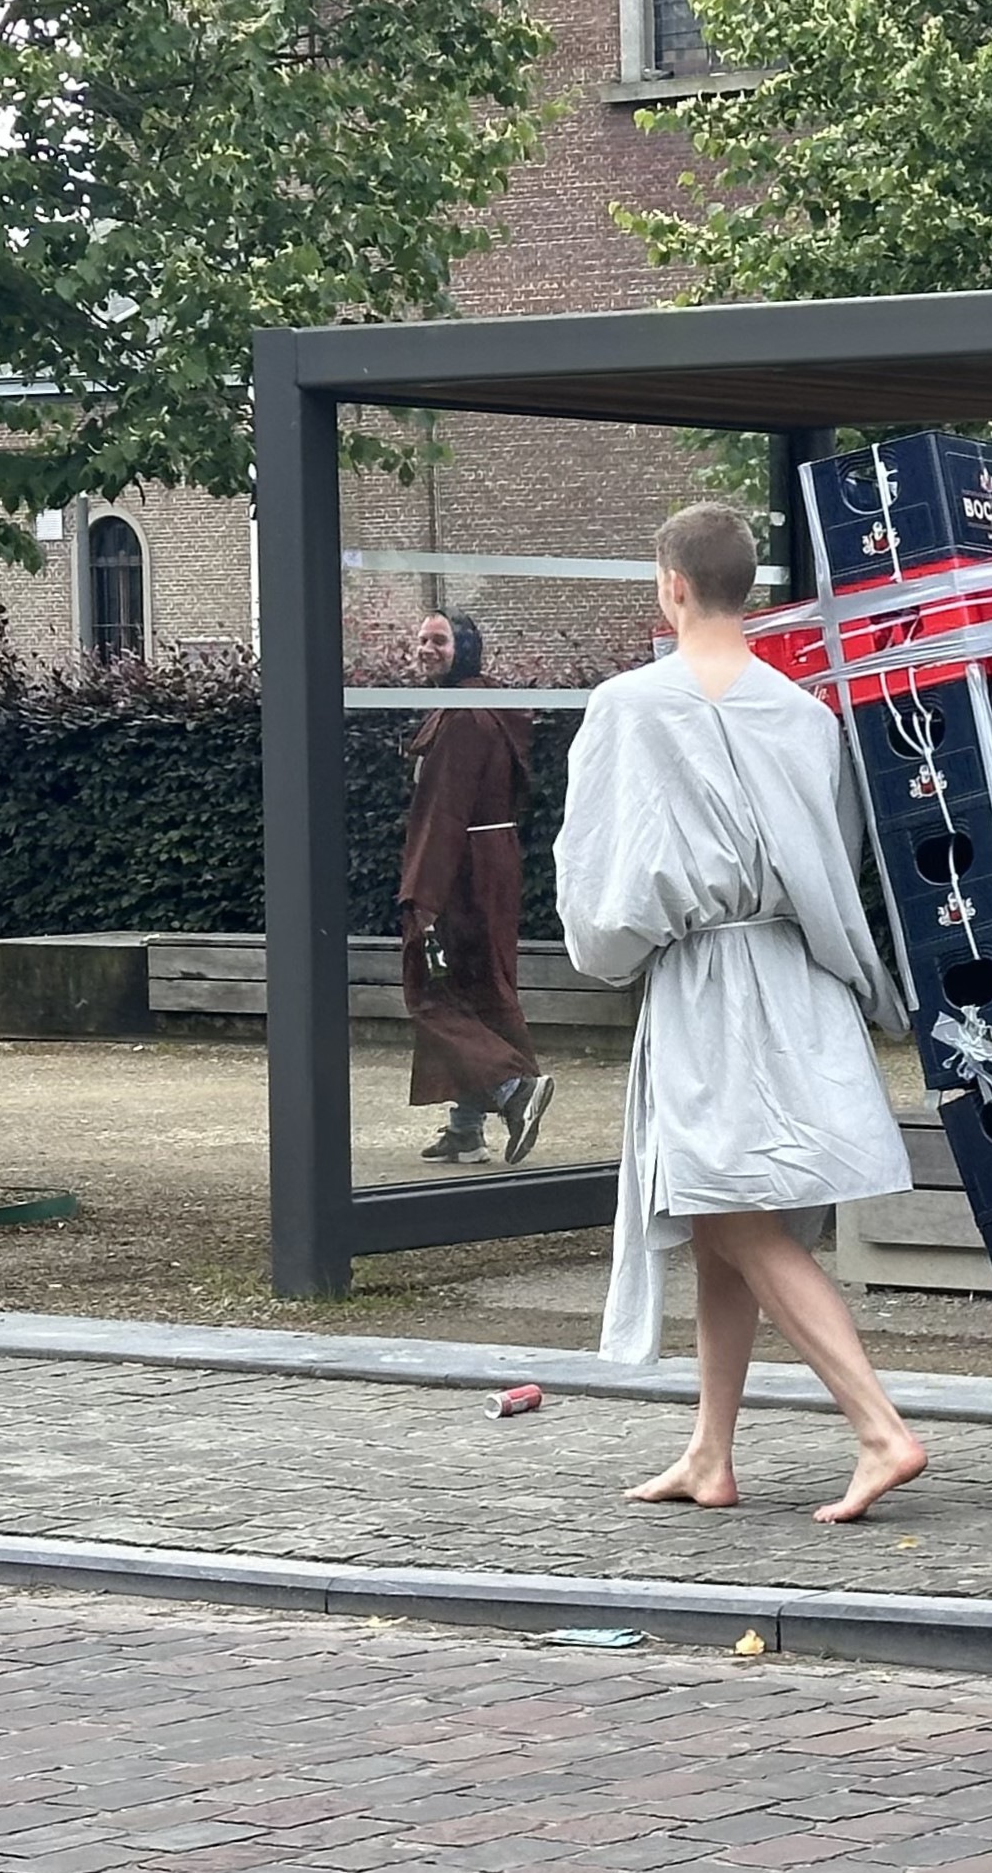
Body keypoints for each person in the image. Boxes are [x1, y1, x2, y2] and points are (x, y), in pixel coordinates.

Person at [556, 505, 928, 1524]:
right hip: (795, 975)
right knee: (729, 1209)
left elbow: (601, 874)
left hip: (707, 984)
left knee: (726, 1207)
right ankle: (709, 1451)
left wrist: (613, 949)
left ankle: (879, 1428)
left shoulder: (629, 707)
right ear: (748, 588)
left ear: (671, 585)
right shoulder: (806, 716)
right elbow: (834, 859)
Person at [397, 611, 554, 1166]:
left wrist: (422, 896)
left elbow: (444, 813)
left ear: (464, 648)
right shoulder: (484, 704)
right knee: (478, 986)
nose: (425, 648)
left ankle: (513, 1089)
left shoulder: (464, 716)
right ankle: (466, 1128)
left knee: (432, 991)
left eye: (438, 640)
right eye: (422, 639)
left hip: (462, 869)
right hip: (491, 863)